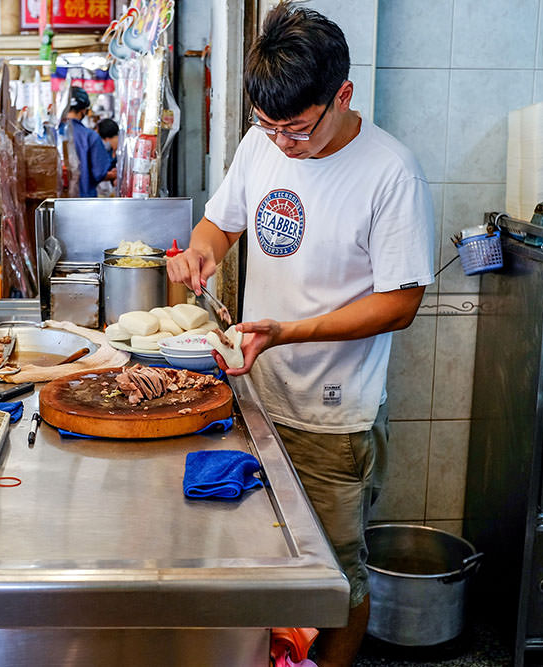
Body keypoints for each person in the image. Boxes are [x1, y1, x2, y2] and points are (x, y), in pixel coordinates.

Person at [166, 6, 435, 666]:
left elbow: (402, 303)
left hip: (333, 417)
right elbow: (219, 224)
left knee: (333, 582)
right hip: (252, 400)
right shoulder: (261, 145)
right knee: (261, 566)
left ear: (342, 96)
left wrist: (288, 331)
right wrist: (202, 252)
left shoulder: (390, 172)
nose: (282, 143)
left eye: (297, 129)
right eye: (268, 126)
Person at [64, 87, 113, 198]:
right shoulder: (90, 137)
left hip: (56, 204)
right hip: (84, 203)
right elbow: (99, 173)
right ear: (83, 110)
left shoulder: (54, 134)